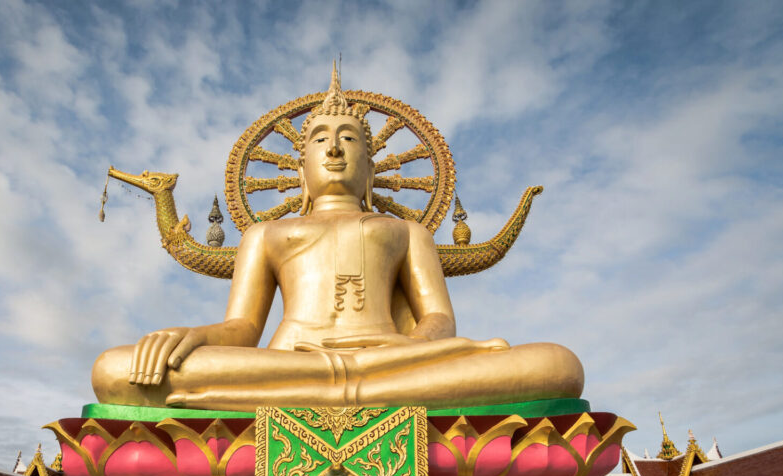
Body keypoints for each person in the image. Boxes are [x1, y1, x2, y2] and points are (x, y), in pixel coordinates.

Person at [91, 66, 583, 411]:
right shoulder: (265, 233)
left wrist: (406, 350)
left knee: (556, 366)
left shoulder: (406, 231)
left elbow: (439, 320)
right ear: (300, 168)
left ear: (371, 167)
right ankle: (354, 394)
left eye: (348, 138)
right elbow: (242, 328)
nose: (333, 148)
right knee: (115, 369)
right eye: (320, 139)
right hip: (289, 363)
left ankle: (322, 394)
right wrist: (194, 337)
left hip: (392, 361)